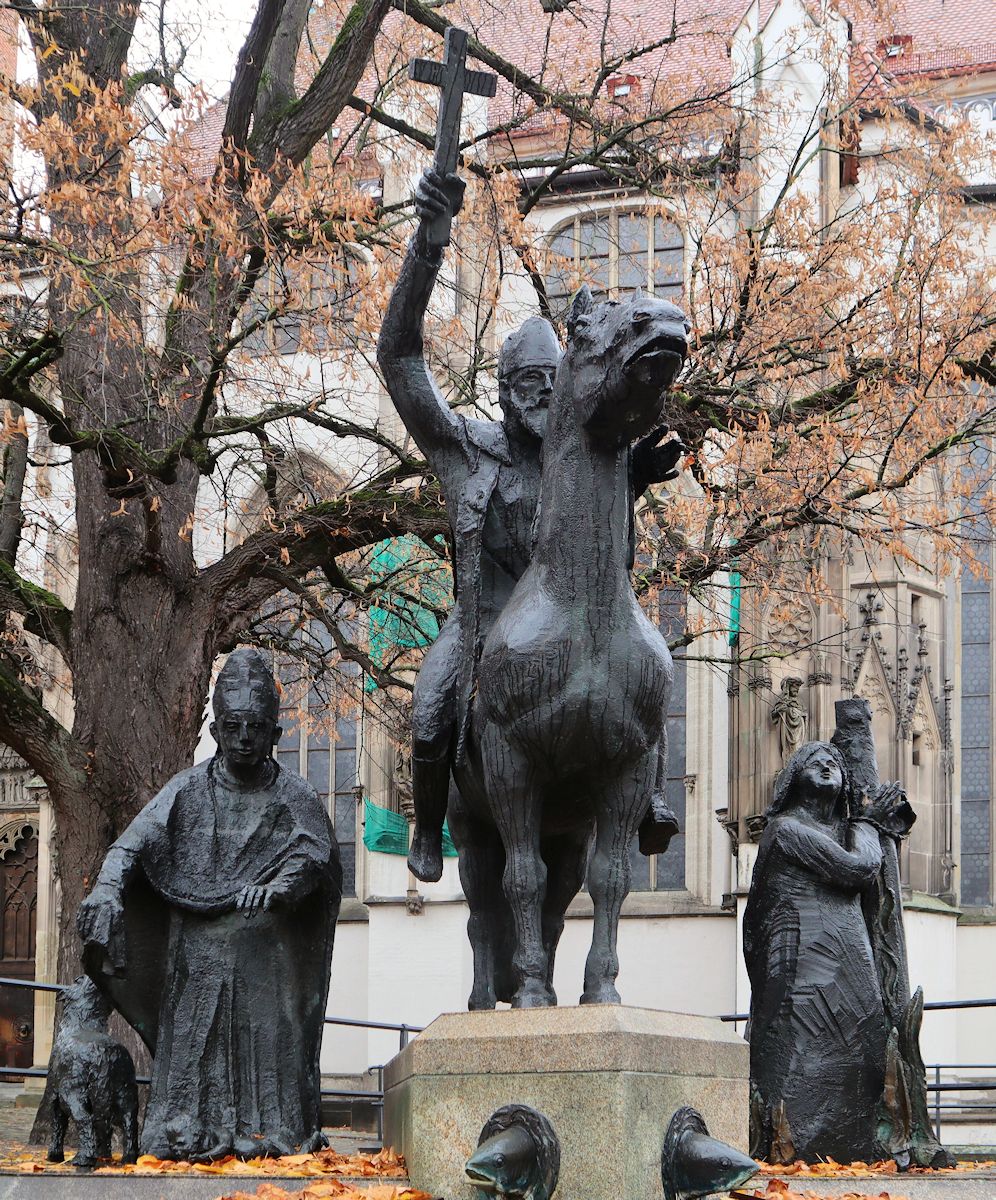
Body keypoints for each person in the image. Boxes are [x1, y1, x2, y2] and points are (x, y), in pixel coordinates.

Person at [377, 168, 683, 883]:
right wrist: (428, 244)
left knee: (646, 665)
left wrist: (634, 478)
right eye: (525, 388)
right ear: (502, 390)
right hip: (484, 625)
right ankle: (427, 828)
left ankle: (651, 795)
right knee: (428, 712)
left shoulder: (583, 453)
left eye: (551, 384)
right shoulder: (464, 448)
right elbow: (399, 358)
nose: (540, 402)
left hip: (581, 621)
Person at [77, 648, 341, 1162]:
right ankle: (182, 1132)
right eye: (233, 725)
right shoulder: (185, 789)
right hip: (195, 960)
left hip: (266, 959)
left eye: (256, 726)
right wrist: (108, 887)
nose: (244, 736)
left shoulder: (295, 795)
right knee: (195, 1047)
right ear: (216, 731)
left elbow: (314, 853)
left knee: (269, 1048)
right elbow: (131, 844)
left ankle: (272, 1137)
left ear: (274, 735)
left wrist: (280, 887)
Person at [743, 741, 901, 1163]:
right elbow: (857, 868)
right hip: (805, 969)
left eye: (835, 762)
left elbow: (872, 884)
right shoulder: (786, 831)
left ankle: (856, 1145)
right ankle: (796, 1146)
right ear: (794, 778)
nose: (830, 765)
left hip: (852, 965)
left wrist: (870, 828)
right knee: (803, 1056)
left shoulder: (846, 832)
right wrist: (870, 824)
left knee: (860, 1050)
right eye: (816, 761)